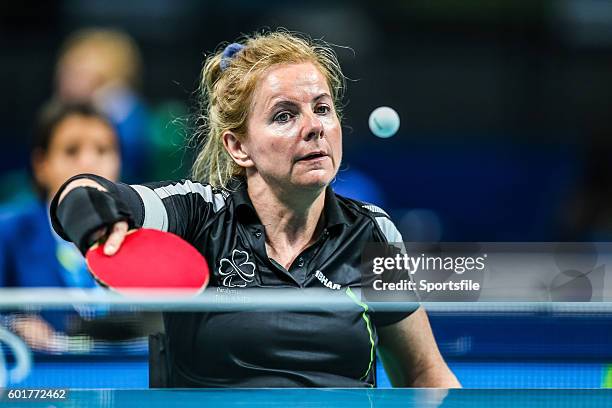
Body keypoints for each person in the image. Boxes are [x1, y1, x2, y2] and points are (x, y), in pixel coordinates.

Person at [50, 31, 460, 388]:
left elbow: (425, 373)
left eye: (322, 108)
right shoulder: (198, 213)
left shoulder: (371, 232)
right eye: (285, 115)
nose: (314, 126)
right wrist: (97, 222)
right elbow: (82, 192)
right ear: (238, 147)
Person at [0, 101, 120, 351]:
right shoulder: (8, 233)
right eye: (71, 151)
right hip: (38, 379)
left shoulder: (144, 234)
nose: (88, 162)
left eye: (102, 150)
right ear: (41, 164)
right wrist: (12, 325)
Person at [55, 28, 151, 183]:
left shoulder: (127, 120)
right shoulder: (58, 119)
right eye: (66, 73)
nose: (67, 83)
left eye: (80, 74)